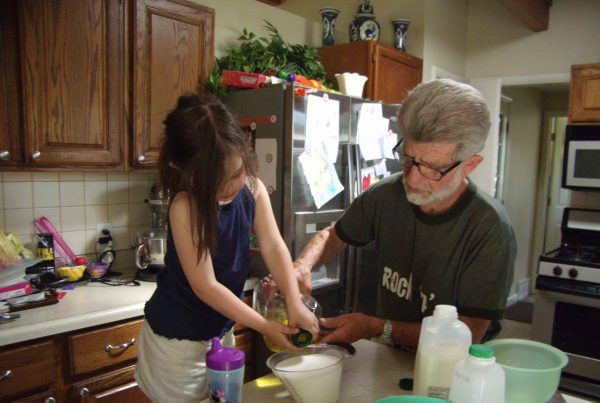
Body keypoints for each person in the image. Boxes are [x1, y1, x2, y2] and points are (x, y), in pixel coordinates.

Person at [293, 79, 516, 349]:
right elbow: (334, 236)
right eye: (408, 157)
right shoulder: (385, 195)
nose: (412, 177)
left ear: (470, 165)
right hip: (391, 351)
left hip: (455, 366)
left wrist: (375, 327)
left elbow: (468, 332)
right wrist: (302, 266)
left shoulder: (488, 227)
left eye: (432, 168)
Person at [135, 94, 319, 402]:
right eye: (216, 181)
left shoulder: (252, 188)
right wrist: (264, 325)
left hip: (220, 331)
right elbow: (206, 286)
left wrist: (294, 301)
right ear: (181, 169)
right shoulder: (185, 207)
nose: (231, 186)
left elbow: (273, 246)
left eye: (236, 172)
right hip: (178, 344)